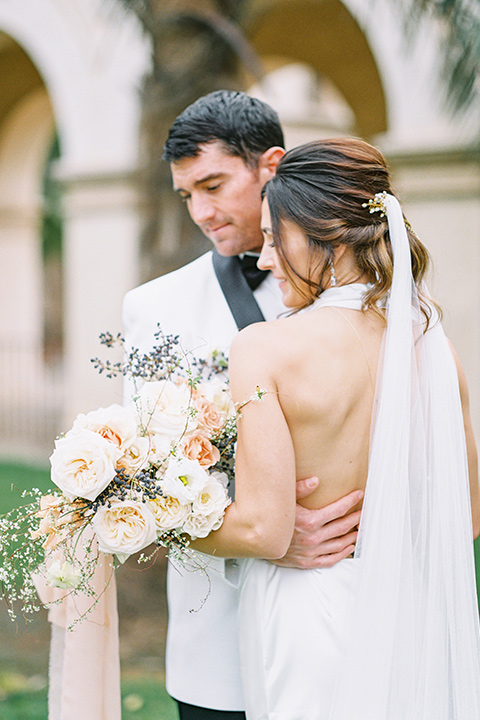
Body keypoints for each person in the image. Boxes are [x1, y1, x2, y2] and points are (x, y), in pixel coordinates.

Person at [191, 138, 480, 719]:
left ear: (323, 230)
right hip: (407, 618)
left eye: (274, 238)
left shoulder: (264, 347)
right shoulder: (433, 346)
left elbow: (265, 531)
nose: (267, 259)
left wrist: (169, 524)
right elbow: (467, 514)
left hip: (307, 615)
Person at [122, 91, 362, 720]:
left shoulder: (366, 306)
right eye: (185, 196)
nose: (201, 212)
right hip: (213, 645)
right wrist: (260, 536)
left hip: (344, 624)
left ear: (272, 167)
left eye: (213, 185)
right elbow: (141, 485)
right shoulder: (152, 308)